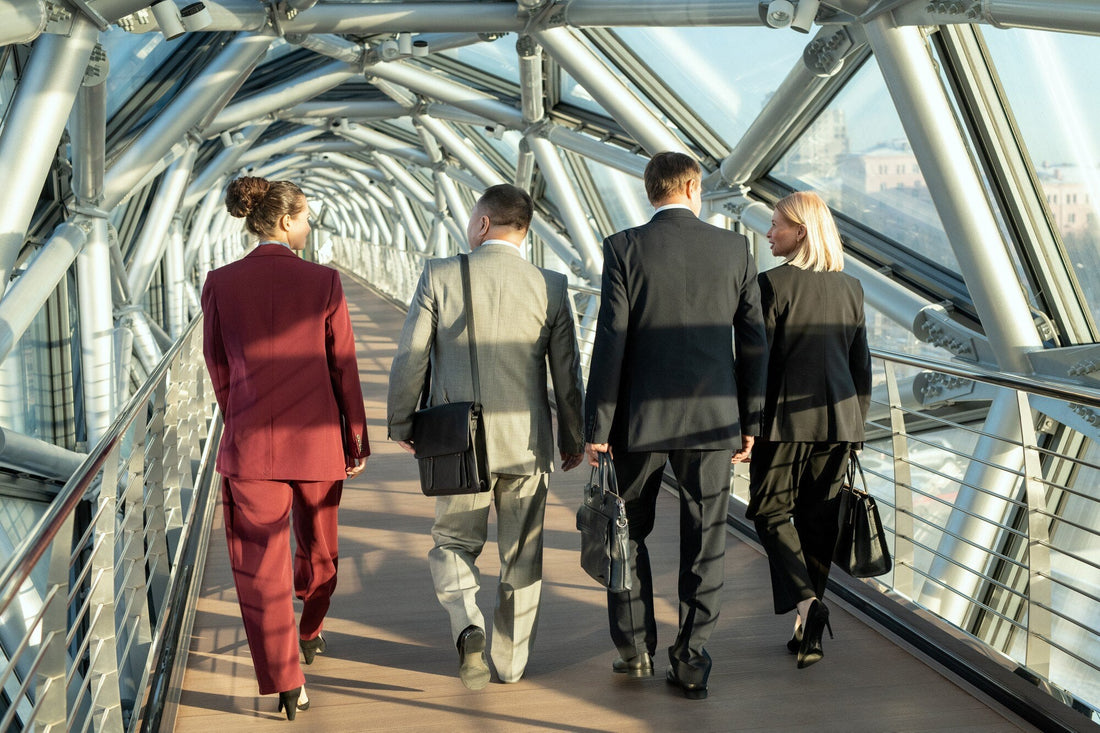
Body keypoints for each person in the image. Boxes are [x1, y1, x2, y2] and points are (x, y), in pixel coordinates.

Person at [584, 151, 768, 700]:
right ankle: (690, 658)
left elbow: (611, 340)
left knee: (627, 532)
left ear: (651, 192)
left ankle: (635, 648)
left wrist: (599, 424)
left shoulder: (623, 247)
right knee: (706, 535)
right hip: (715, 422)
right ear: (692, 187)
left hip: (638, 421)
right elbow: (754, 341)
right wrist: (751, 419)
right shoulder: (735, 248)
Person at [387, 183, 585, 690]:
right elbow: (567, 373)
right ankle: (512, 665)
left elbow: (411, 357)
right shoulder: (553, 286)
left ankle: (467, 624)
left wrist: (404, 422)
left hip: (458, 443)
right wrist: (572, 436)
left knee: (452, 541)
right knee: (523, 555)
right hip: (527, 444)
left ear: (481, 225)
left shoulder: (441, 274)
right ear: (525, 229)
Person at [201, 176, 368, 720]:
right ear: (284, 220)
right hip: (318, 442)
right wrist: (356, 437)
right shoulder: (323, 282)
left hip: (251, 445)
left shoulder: (220, 283)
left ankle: (285, 680)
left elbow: (218, 368)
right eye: (306, 216)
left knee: (258, 566)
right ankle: (311, 627)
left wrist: (241, 419)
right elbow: (343, 364)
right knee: (320, 550)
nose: (310, 224)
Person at [746, 190, 871, 669]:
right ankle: (807, 633)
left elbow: (759, 365)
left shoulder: (771, 285)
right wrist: (856, 425)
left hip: (783, 423)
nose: (768, 232)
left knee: (769, 513)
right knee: (817, 522)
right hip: (840, 423)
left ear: (800, 231)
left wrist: (748, 425)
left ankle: (808, 605)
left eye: (776, 224)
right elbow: (861, 367)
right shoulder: (851, 288)